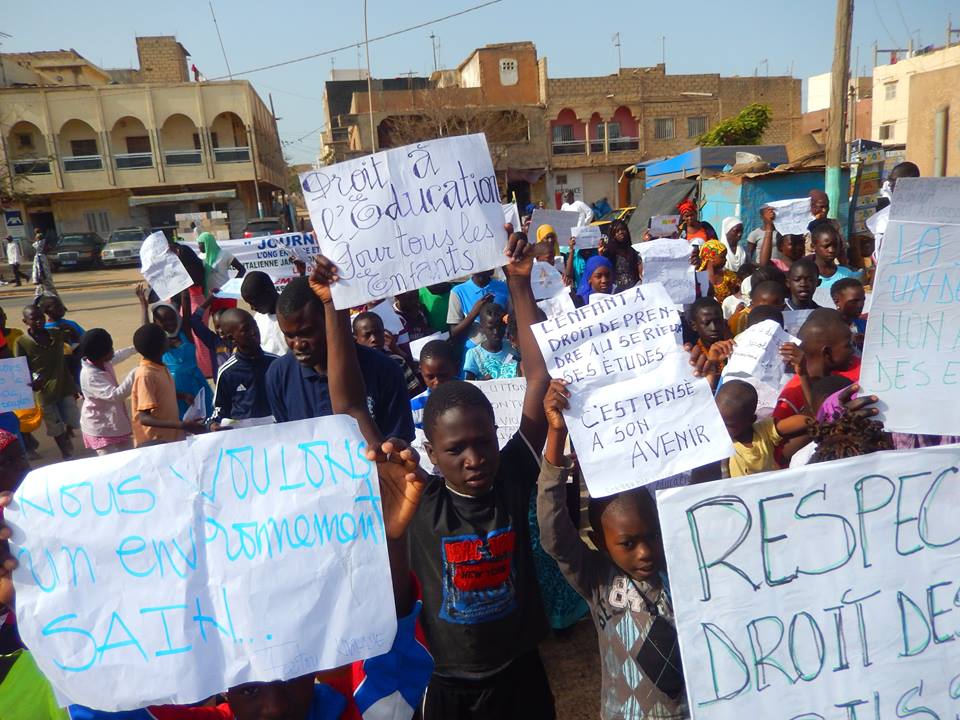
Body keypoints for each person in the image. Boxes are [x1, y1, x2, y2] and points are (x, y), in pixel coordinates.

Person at [405, 232, 556, 719]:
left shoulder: (511, 474)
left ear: (498, 434)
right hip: (452, 685)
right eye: (455, 449)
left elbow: (539, 376)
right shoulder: (419, 503)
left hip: (520, 674)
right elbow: (348, 407)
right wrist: (334, 313)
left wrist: (519, 283)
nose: (475, 458)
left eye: (484, 441)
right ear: (431, 453)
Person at [536, 380, 687, 719]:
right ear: (601, 543)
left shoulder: (681, 567)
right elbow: (553, 533)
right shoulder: (597, 579)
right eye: (628, 544)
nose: (645, 551)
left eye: (651, 536)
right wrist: (556, 435)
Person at [266, 277, 414, 441]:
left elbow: (398, 444)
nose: (298, 344)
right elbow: (289, 444)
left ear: (330, 321)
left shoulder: (385, 370)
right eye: (289, 335)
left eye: (306, 333)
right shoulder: (278, 376)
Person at [138, 285, 211, 420]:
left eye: (172, 318)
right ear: (155, 322)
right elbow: (146, 331)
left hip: (197, 384)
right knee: (181, 420)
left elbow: (187, 312)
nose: (169, 323)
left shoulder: (186, 333)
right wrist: (143, 306)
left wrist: (184, 289)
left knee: (204, 417)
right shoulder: (159, 343)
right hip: (174, 389)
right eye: (163, 320)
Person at [14, 305, 77, 459]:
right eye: (33, 319)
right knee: (53, 423)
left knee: (72, 417)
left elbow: (75, 341)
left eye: (40, 317)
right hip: (43, 390)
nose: (38, 321)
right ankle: (66, 453)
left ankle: (67, 432)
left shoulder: (56, 333)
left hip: (64, 385)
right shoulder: (22, 342)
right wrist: (33, 379)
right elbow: (21, 367)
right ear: (25, 321)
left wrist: (68, 327)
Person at [715, 379, 812, 477]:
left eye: (729, 425)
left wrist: (815, 421)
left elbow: (805, 421)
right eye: (717, 420)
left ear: (751, 420)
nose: (721, 427)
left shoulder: (763, 431)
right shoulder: (719, 441)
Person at [130, 323, 207, 446]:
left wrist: (182, 395)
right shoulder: (146, 375)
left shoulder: (160, 366)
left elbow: (159, 393)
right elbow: (144, 418)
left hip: (170, 438)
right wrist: (182, 425)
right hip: (154, 442)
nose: (168, 338)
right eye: (164, 337)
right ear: (159, 346)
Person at [209, 308, 278, 429]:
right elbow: (219, 410)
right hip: (244, 438)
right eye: (245, 330)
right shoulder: (227, 372)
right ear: (231, 338)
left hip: (276, 433)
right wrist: (212, 425)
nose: (253, 332)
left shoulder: (276, 364)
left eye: (254, 325)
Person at [78, 328, 137, 455]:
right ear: (103, 354)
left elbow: (120, 355)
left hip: (113, 422)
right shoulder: (91, 376)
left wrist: (135, 348)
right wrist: (136, 372)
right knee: (109, 461)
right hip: (99, 428)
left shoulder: (101, 361)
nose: (113, 352)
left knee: (127, 455)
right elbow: (115, 395)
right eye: (111, 349)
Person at [352, 311, 424, 397]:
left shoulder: (397, 361)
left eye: (378, 332)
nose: (374, 339)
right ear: (355, 338)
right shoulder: (353, 368)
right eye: (367, 335)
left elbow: (416, 395)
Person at [447, 270, 510, 345]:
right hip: (473, 348)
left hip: (503, 347)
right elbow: (454, 332)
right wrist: (474, 313)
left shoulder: (504, 287)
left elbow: (511, 319)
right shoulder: (458, 292)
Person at [463, 303, 520, 380]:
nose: (496, 332)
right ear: (482, 328)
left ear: (505, 325)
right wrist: (482, 382)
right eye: (490, 328)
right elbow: (469, 385)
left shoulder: (514, 347)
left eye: (500, 326)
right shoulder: (474, 354)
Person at [239, 271, 289, 356]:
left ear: (268, 292)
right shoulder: (258, 319)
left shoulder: (291, 315)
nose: (252, 308)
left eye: (254, 303)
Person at [808, 221, 862, 293]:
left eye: (835, 245)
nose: (831, 250)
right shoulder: (806, 275)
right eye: (826, 246)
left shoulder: (846, 274)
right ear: (813, 246)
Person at [198, 231, 246, 298]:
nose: (198, 246)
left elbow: (242, 269)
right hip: (208, 297)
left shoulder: (224, 254)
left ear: (207, 243)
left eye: (200, 244)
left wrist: (232, 284)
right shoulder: (200, 257)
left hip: (225, 294)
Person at [599, 219, 641, 291]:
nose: (621, 232)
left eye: (623, 229)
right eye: (617, 231)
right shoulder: (609, 252)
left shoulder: (633, 250)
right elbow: (603, 268)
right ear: (613, 235)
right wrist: (601, 253)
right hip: (618, 293)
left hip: (635, 290)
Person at [698, 240, 739, 304]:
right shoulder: (697, 278)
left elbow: (734, 299)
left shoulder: (729, 276)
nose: (726, 260)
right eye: (723, 257)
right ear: (711, 257)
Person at [831, 277, 867, 348]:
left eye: (863, 300)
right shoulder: (827, 328)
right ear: (836, 301)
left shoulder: (866, 325)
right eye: (854, 301)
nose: (861, 305)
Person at [31, 230, 58, 299]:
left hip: (43, 278)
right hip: (42, 278)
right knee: (41, 290)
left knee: (46, 289)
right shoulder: (42, 255)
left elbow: (38, 269)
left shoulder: (39, 256)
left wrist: (37, 278)